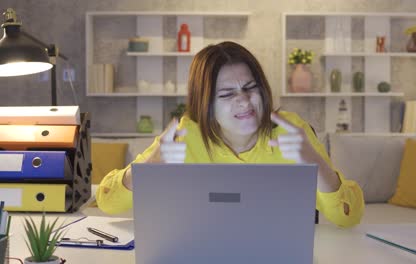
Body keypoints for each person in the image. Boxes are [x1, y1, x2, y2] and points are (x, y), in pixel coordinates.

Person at [96, 41, 364, 228]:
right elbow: (107, 202)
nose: (244, 101)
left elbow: (348, 217)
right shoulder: (184, 135)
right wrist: (148, 167)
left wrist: (314, 162)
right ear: (206, 104)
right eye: (227, 94)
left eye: (250, 87)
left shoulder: (292, 131)